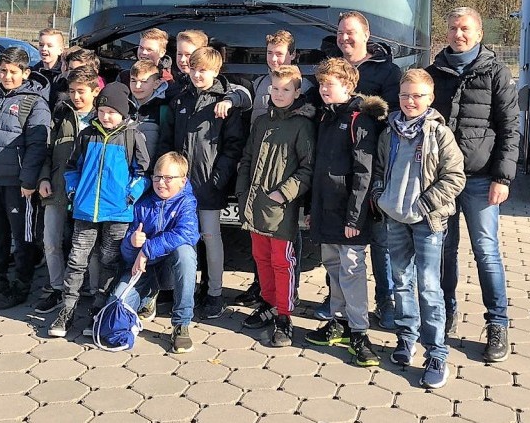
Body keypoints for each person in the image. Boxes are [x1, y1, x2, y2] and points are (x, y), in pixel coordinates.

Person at [427, 7, 519, 363]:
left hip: (482, 181)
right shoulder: (434, 73)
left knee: (487, 252)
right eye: (452, 28)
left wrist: (503, 177)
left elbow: (510, 128)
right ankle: (446, 311)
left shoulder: (496, 72)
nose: (458, 34)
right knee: (443, 251)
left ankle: (497, 323)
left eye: (465, 28)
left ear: (479, 33)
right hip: (443, 181)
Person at [371, 69, 465, 389]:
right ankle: (406, 339)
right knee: (401, 281)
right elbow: (380, 170)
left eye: (417, 96)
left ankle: (437, 352)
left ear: (430, 98)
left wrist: (424, 205)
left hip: (428, 221)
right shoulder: (389, 132)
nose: (410, 101)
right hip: (394, 218)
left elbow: (455, 178)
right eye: (405, 95)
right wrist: (379, 196)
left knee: (427, 286)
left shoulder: (440, 134)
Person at [49, 83, 151, 338]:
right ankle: (67, 309)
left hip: (117, 213)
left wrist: (130, 195)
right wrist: (73, 190)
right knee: (77, 259)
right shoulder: (86, 135)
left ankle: (99, 306)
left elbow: (143, 172)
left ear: (123, 113)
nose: (106, 116)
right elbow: (72, 167)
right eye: (102, 110)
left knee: (109, 260)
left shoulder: (131, 136)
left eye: (112, 112)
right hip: (85, 210)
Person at [304, 58, 387, 368]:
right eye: (322, 83)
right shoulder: (326, 117)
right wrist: (312, 210)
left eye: (331, 84)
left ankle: (359, 332)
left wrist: (355, 218)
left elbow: (362, 174)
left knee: (352, 271)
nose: (324, 88)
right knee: (333, 266)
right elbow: (319, 171)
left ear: (349, 86)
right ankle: (337, 323)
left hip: (348, 215)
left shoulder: (358, 120)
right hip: (324, 211)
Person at [157, 46, 245, 319]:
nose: (197, 74)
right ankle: (183, 291)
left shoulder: (224, 104)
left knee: (210, 237)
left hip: (208, 184)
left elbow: (233, 147)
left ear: (216, 71)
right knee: (182, 240)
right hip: (180, 186)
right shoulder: (180, 100)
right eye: (194, 69)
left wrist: (218, 177)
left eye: (203, 70)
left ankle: (214, 293)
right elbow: (167, 140)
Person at [236, 65, 315, 347]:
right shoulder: (261, 122)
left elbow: (307, 168)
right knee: (261, 258)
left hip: (281, 209)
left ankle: (285, 314)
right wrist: (243, 192)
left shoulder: (302, 125)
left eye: (286, 89)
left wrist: (284, 193)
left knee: (283, 262)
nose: (279, 94)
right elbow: (247, 158)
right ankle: (268, 303)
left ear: (297, 92)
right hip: (254, 204)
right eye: (276, 88)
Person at [333, 10, 401, 329]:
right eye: (341, 33)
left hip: (373, 168)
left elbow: (390, 114)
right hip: (337, 167)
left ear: (366, 35)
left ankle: (386, 301)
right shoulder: (331, 67)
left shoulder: (387, 72)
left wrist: (356, 105)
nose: (345, 38)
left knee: (379, 239)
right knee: (341, 236)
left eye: (351, 32)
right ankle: (340, 299)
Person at [0, 47, 51, 309]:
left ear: (25, 73)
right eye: (3, 71)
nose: (7, 76)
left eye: (13, 72)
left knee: (22, 236)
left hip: (18, 185)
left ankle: (22, 284)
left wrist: (28, 181)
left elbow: (38, 145)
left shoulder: (34, 102)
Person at [112, 151, 200, 354]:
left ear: (182, 180)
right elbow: (127, 256)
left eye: (169, 178)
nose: (161, 183)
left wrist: (147, 249)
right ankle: (148, 298)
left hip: (170, 268)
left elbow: (187, 233)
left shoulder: (187, 202)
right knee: (117, 307)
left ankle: (181, 323)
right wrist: (131, 242)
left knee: (186, 253)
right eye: (158, 176)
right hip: (145, 270)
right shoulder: (142, 203)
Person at [36, 67, 100, 314]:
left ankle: (94, 292)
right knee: (51, 242)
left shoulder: (102, 117)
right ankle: (57, 288)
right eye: (72, 91)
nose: (76, 97)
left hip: (88, 194)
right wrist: (43, 177)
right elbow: (48, 151)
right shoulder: (61, 115)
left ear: (95, 91)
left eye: (82, 91)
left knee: (89, 247)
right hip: (58, 187)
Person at [128, 59, 170, 161]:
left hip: (151, 169)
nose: (137, 86)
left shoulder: (163, 109)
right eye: (133, 80)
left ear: (156, 84)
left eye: (143, 81)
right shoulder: (123, 105)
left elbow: (166, 143)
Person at [32, 28, 66, 108]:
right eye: (41, 45)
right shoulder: (33, 73)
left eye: (49, 46)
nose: (44, 49)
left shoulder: (65, 74)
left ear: (60, 50)